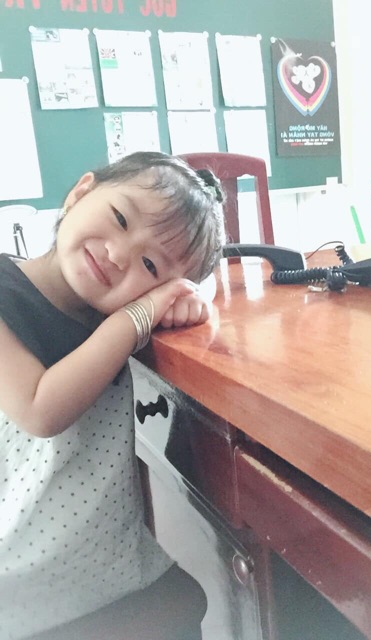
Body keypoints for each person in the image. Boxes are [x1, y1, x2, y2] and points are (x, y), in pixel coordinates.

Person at [0, 151, 226, 639]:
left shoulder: (109, 314)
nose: (119, 255)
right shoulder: (116, 321)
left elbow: (192, 301)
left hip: (112, 571)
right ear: (81, 191)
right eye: (121, 218)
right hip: (17, 586)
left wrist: (187, 301)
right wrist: (139, 315)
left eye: (150, 264)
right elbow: (40, 409)